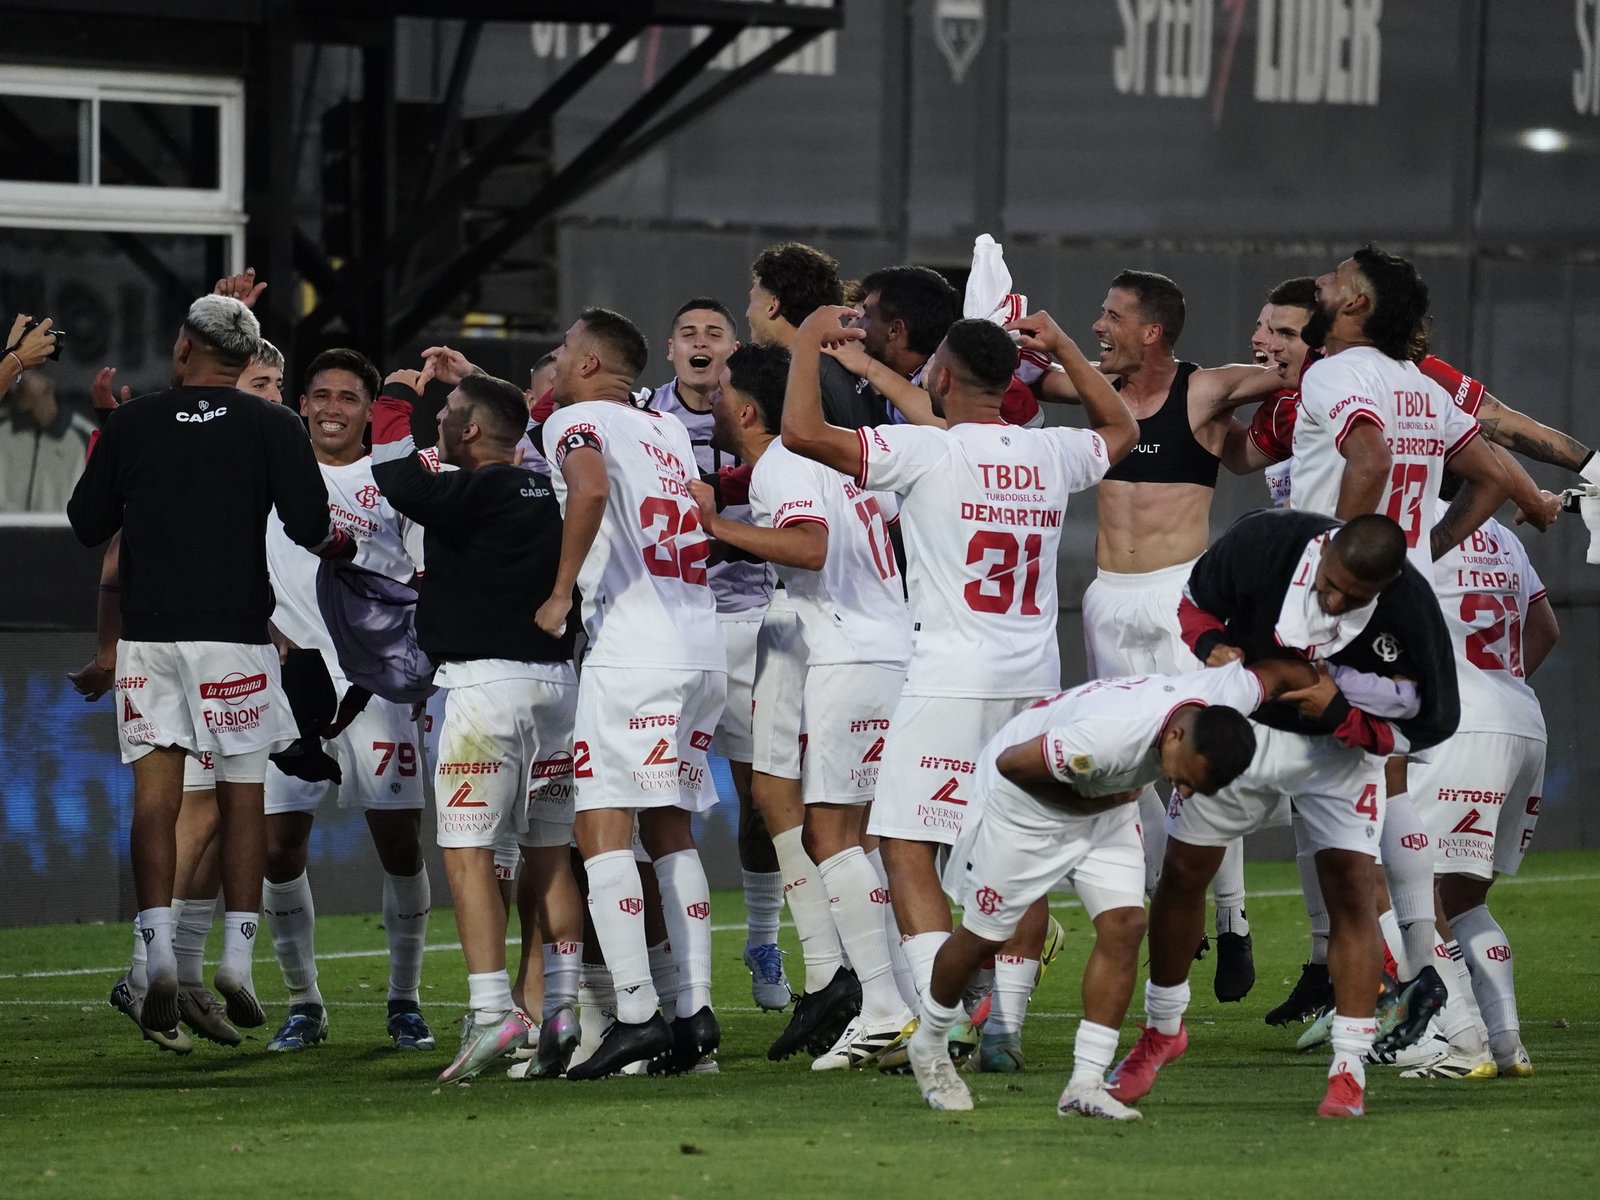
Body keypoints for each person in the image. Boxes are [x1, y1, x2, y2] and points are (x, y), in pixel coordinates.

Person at [780, 306, 1137, 1068]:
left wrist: (807, 341)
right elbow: (1122, 428)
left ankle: (939, 1022)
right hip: (1035, 682)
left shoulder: (927, 451)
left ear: (940, 378)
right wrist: (1065, 346)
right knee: (1021, 845)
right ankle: (1004, 1023)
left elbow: (803, 435)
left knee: (906, 842)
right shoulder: (1051, 453)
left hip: (949, 677)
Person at [66, 293, 346, 1048]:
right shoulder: (273, 425)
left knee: (156, 801)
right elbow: (310, 525)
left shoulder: (133, 423)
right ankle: (237, 961)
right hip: (234, 640)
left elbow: (87, 524)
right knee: (242, 796)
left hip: (149, 641)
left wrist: (123, 454)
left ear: (184, 349)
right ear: (246, 359)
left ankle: (156, 952)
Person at [1112, 511, 1458, 1119]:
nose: (1335, 600)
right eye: (1332, 584)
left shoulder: (1412, 607)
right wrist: (1211, 646)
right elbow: (1193, 602)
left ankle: (1349, 1067)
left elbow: (1436, 722)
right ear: (1325, 551)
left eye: (1354, 596)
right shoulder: (1267, 542)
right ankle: (1163, 1029)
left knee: (1351, 888)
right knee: (1183, 872)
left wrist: (1342, 715)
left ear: (1387, 584)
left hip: (1339, 752)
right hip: (1246, 728)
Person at [909, 659, 1312, 1117]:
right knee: (986, 935)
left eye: (1196, 787)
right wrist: (1093, 802)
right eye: (1185, 778)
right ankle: (930, 1043)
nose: (1184, 792)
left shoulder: (1222, 699)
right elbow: (1011, 765)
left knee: (1126, 924)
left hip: (1107, 796)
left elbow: (1283, 672)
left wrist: (1330, 702)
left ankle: (1085, 1084)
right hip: (1023, 802)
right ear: (1175, 736)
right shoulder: (1110, 736)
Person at [1034, 270, 1284, 1001]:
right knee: (1133, 761)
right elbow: (1019, 378)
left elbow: (1289, 374)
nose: (1098, 327)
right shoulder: (1095, 390)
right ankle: (1171, 905)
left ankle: (1232, 920)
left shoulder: (1202, 391)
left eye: (1112, 317)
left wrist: (1289, 352)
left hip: (1181, 595)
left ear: (1152, 331)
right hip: (1108, 596)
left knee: (1200, 756)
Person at [690, 341, 915, 1069]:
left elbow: (810, 548)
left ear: (750, 410)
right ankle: (905, 1005)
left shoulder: (783, 461)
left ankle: (882, 1009)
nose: (714, 399)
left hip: (848, 655)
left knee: (833, 834)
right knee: (869, 837)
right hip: (887, 646)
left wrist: (714, 527)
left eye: (724, 391)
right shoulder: (829, 459)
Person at [370, 365, 583, 1083]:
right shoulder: (551, 486)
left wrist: (396, 397)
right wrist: (473, 380)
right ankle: (560, 1007)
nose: (438, 421)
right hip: (559, 687)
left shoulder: (477, 489)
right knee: (550, 853)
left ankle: (493, 1011)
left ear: (472, 430)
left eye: (448, 413)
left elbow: (398, 480)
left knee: (466, 851)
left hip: (486, 689)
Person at [537, 307, 727, 1079]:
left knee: (601, 827)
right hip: (699, 643)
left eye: (562, 350)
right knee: (669, 828)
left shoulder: (573, 421)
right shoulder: (667, 429)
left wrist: (560, 593)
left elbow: (586, 491)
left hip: (634, 647)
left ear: (588, 365)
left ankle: (639, 1015)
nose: (554, 362)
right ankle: (694, 1012)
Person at [257, 349, 435, 1057]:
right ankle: (303, 1003)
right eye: (321, 395)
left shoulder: (393, 478)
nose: (333, 408)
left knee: (400, 843)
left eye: (349, 397)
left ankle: (405, 1001)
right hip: (285, 681)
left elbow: (425, 578)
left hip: (377, 684)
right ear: (301, 404)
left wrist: (408, 667)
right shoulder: (269, 473)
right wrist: (274, 645)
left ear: (367, 410)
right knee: (277, 848)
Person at [648, 298, 791, 1010]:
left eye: (714, 333)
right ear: (670, 350)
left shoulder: (766, 419)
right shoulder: (645, 418)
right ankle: (666, 976)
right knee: (657, 801)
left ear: (733, 350)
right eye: (688, 334)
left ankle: (762, 939)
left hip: (748, 622)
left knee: (765, 797)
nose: (700, 343)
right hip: (668, 627)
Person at [1408, 495, 1558, 1077]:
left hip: (1457, 729)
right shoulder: (1504, 538)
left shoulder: (1412, 526)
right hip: (1521, 722)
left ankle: (1461, 1042)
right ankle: (1506, 1043)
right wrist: (1497, 690)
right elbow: (1546, 629)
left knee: (1400, 888)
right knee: (1465, 899)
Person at [1, 367, 95, 512]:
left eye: (22, 379)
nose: (14, 388)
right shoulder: (3, 431)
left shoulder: (84, 436)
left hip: (62, 527)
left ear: (48, 382)